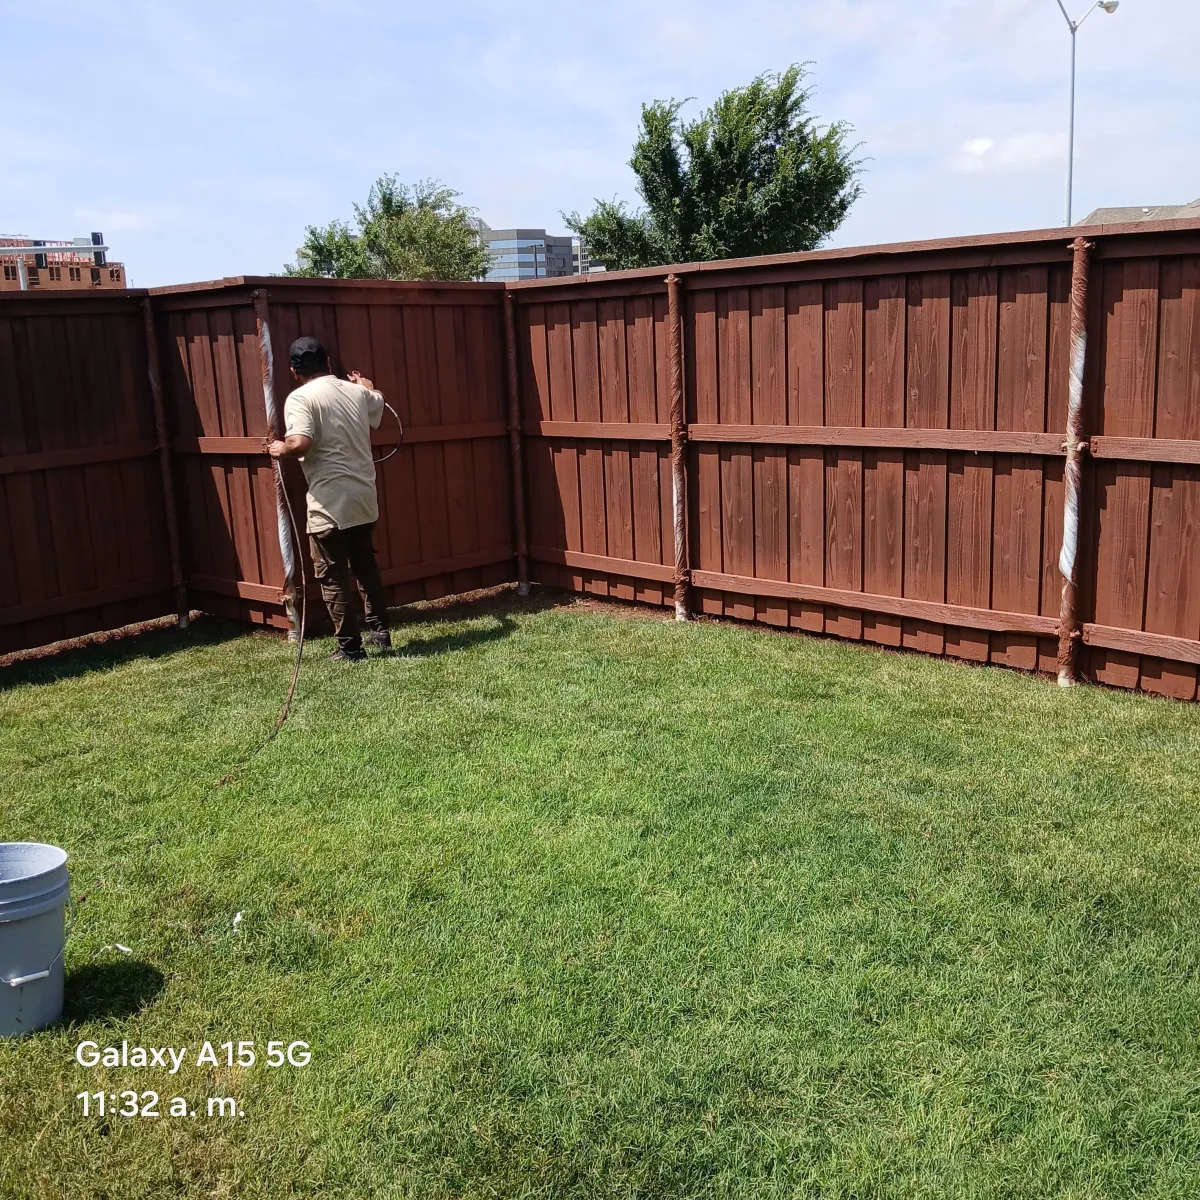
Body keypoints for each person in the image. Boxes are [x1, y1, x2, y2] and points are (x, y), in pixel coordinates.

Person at [266, 336, 391, 662]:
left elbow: (301, 443)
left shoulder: (299, 398)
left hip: (329, 504)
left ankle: (350, 649)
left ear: (294, 371)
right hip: (364, 497)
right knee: (365, 566)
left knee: (332, 574)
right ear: (329, 363)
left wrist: (281, 448)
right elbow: (377, 400)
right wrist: (368, 385)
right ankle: (380, 632)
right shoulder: (357, 392)